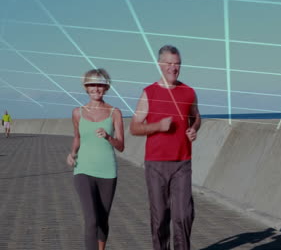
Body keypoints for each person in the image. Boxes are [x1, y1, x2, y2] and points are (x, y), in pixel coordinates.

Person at [130, 45, 201, 250]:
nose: (174, 67)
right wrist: (158, 126)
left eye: (177, 64)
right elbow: (134, 127)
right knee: (160, 218)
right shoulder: (149, 92)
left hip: (182, 162)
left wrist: (194, 128)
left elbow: (196, 116)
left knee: (183, 215)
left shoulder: (188, 92)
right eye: (169, 63)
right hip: (156, 164)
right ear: (160, 64)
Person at [67, 69, 124, 250]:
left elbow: (121, 145)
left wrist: (108, 137)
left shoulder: (115, 112)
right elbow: (77, 137)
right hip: (83, 169)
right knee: (91, 219)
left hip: (107, 172)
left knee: (102, 219)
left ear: (106, 87)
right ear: (86, 87)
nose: (96, 88)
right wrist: (72, 154)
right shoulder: (77, 113)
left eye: (99, 84)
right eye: (92, 84)